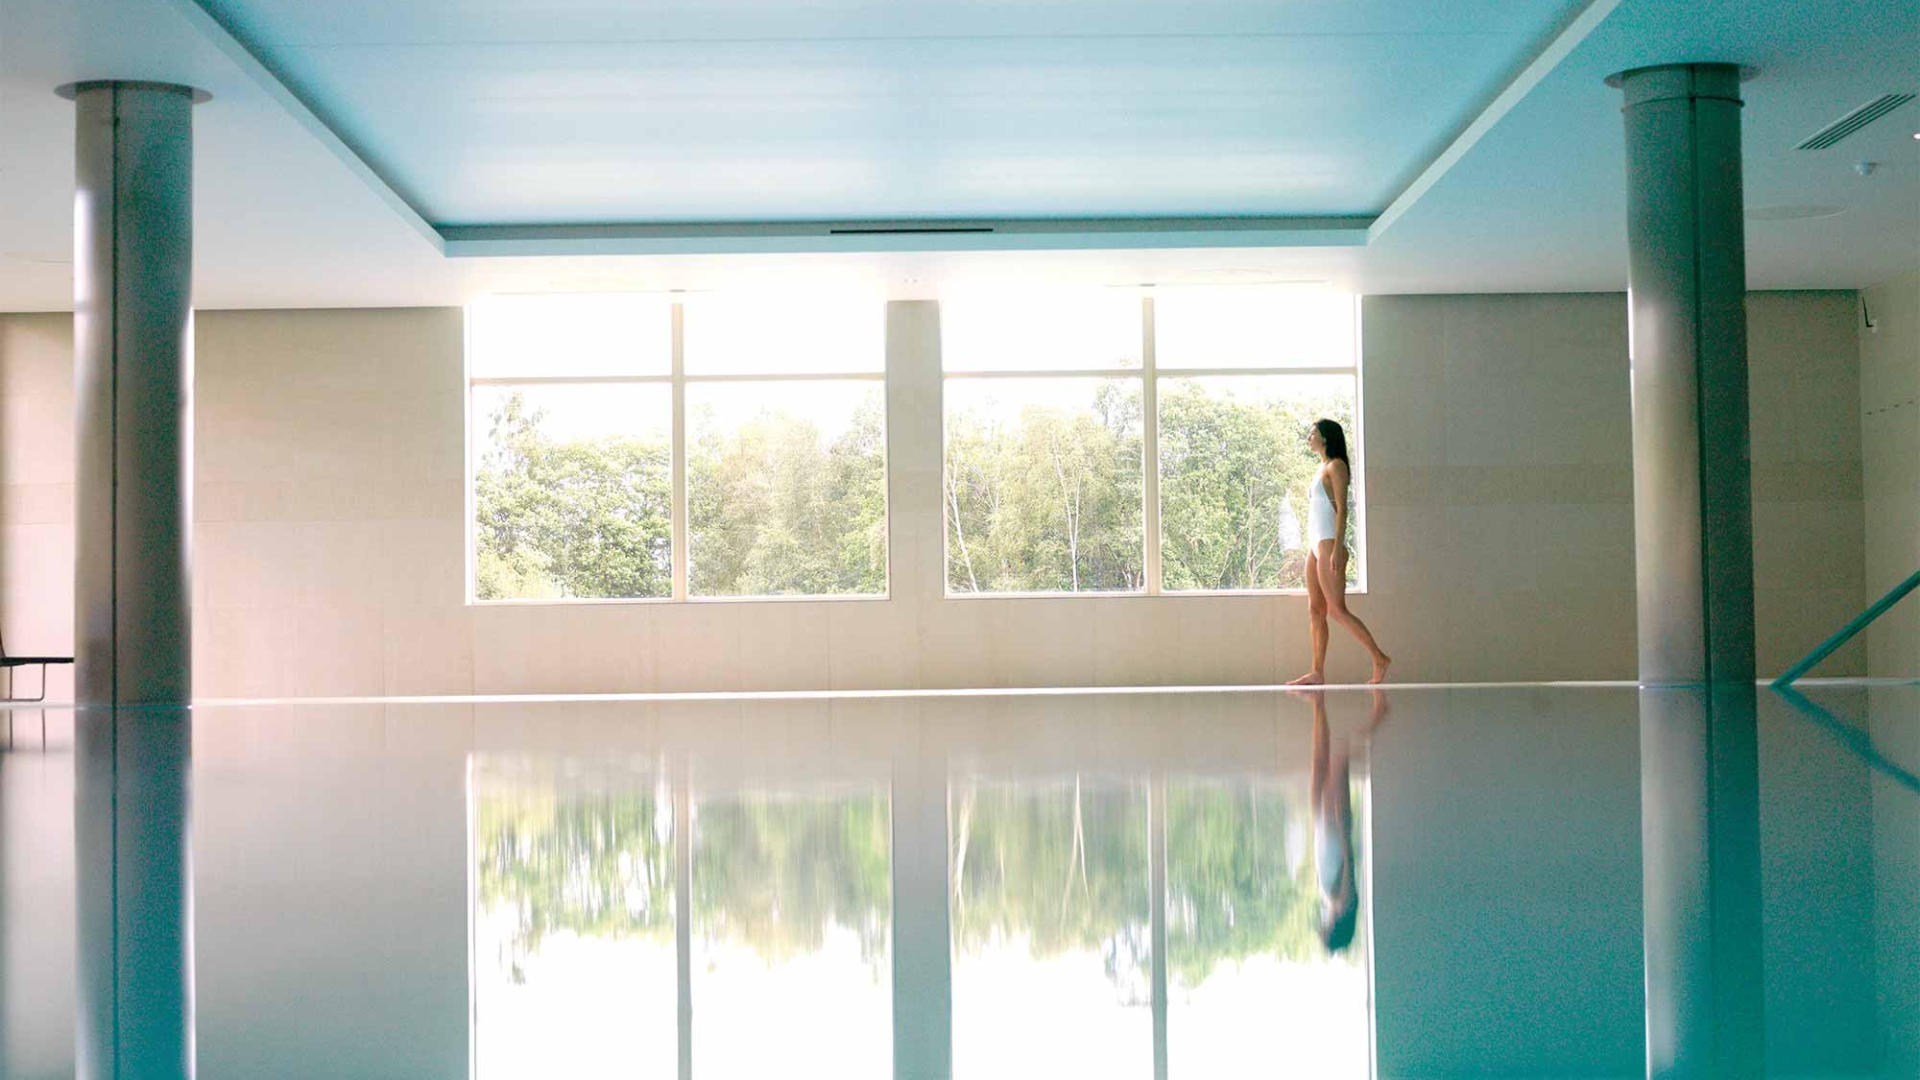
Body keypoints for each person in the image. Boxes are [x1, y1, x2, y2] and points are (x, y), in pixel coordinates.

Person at [1288, 419, 1391, 685]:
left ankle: (1379, 658)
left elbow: (1343, 509)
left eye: (1313, 433)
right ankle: (1317, 672)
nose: (1309, 437)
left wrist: (1336, 547)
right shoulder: (1321, 467)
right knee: (1315, 610)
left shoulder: (1337, 466)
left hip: (1329, 542)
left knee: (1336, 609)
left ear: (1325, 437)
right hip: (1316, 544)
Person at [1293, 687, 1390, 954]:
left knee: (1320, 757)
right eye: (1324, 933)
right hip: (1334, 825)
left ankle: (1318, 704)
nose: (1321, 928)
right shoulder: (1345, 903)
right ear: (1334, 931)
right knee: (1340, 758)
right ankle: (1378, 716)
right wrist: (1342, 819)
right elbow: (1348, 859)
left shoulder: (1331, 905)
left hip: (1323, 825)